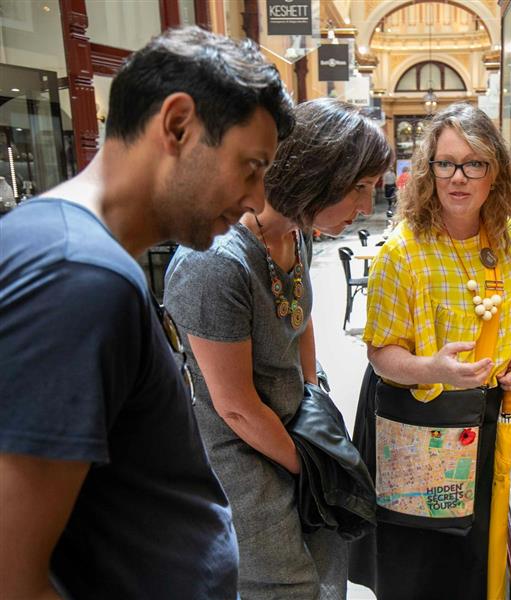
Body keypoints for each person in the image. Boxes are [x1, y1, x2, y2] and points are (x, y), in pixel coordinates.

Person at [0, 27, 294, 599]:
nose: (257, 200)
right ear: (178, 125)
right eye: (251, 167)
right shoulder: (80, 276)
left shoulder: (61, 247)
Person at [163, 98, 391, 600]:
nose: (364, 210)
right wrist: (310, 465)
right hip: (241, 460)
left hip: (291, 431)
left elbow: (302, 320)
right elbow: (235, 407)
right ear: (317, 172)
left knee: (321, 559)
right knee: (282, 582)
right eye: (359, 189)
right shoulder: (214, 263)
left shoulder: (294, 233)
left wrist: (313, 397)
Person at [349, 103, 511, 599]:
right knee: (419, 574)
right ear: (428, 171)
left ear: (496, 172)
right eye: (445, 163)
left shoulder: (508, 239)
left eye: (474, 164)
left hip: (484, 423)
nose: (458, 177)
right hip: (419, 430)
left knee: (472, 563)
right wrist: (432, 368)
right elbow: (380, 355)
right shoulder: (402, 252)